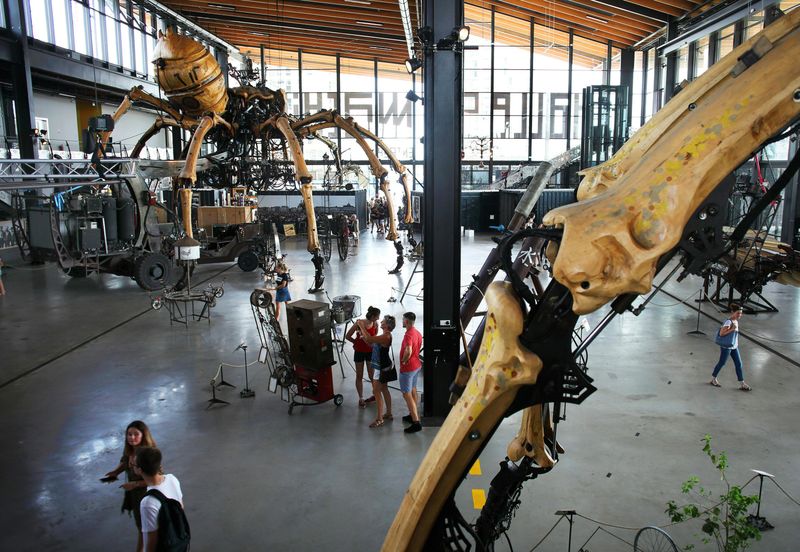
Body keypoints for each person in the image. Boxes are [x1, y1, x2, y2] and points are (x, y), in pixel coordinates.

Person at [101, 421, 157, 552]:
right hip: (136, 496)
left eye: (136, 434)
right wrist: (115, 472)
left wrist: (135, 484)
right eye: (129, 434)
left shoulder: (149, 454)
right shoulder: (130, 450)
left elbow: (157, 480)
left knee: (146, 529)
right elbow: (125, 461)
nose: (132, 438)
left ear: (144, 435)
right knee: (142, 527)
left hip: (147, 496)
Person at [134, 447, 185, 552]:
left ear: (139, 470)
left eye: (133, 465)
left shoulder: (147, 502)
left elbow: (151, 537)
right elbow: (181, 507)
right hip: (179, 539)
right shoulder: (172, 479)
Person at [358, 315, 396, 428]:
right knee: (384, 389)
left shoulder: (386, 336)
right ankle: (388, 413)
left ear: (387, 325)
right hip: (384, 366)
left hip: (381, 368)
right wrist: (363, 337)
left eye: (383, 321)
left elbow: (370, 339)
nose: (381, 322)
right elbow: (371, 343)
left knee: (376, 392)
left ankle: (379, 419)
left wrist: (361, 326)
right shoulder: (384, 335)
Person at [709, 304, 752, 391]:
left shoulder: (736, 321)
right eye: (738, 313)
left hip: (734, 346)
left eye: (740, 313)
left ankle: (742, 383)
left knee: (739, 364)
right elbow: (721, 334)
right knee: (722, 363)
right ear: (733, 312)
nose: (739, 315)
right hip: (726, 347)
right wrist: (732, 329)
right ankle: (713, 379)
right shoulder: (729, 322)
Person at [346, 306, 380, 408]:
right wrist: (355, 342)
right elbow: (348, 336)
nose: (378, 319)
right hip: (359, 352)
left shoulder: (375, 324)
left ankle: (375, 395)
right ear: (373, 316)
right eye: (377, 317)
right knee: (359, 376)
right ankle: (361, 398)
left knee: (371, 375)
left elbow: (374, 336)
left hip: (370, 352)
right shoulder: (359, 323)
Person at [399, 312, 423, 433]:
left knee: (406, 394)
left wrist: (403, 361)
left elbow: (408, 350)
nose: (402, 322)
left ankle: (416, 422)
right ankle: (413, 415)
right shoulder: (417, 333)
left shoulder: (408, 335)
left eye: (403, 320)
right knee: (413, 390)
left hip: (408, 369)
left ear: (407, 322)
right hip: (417, 366)